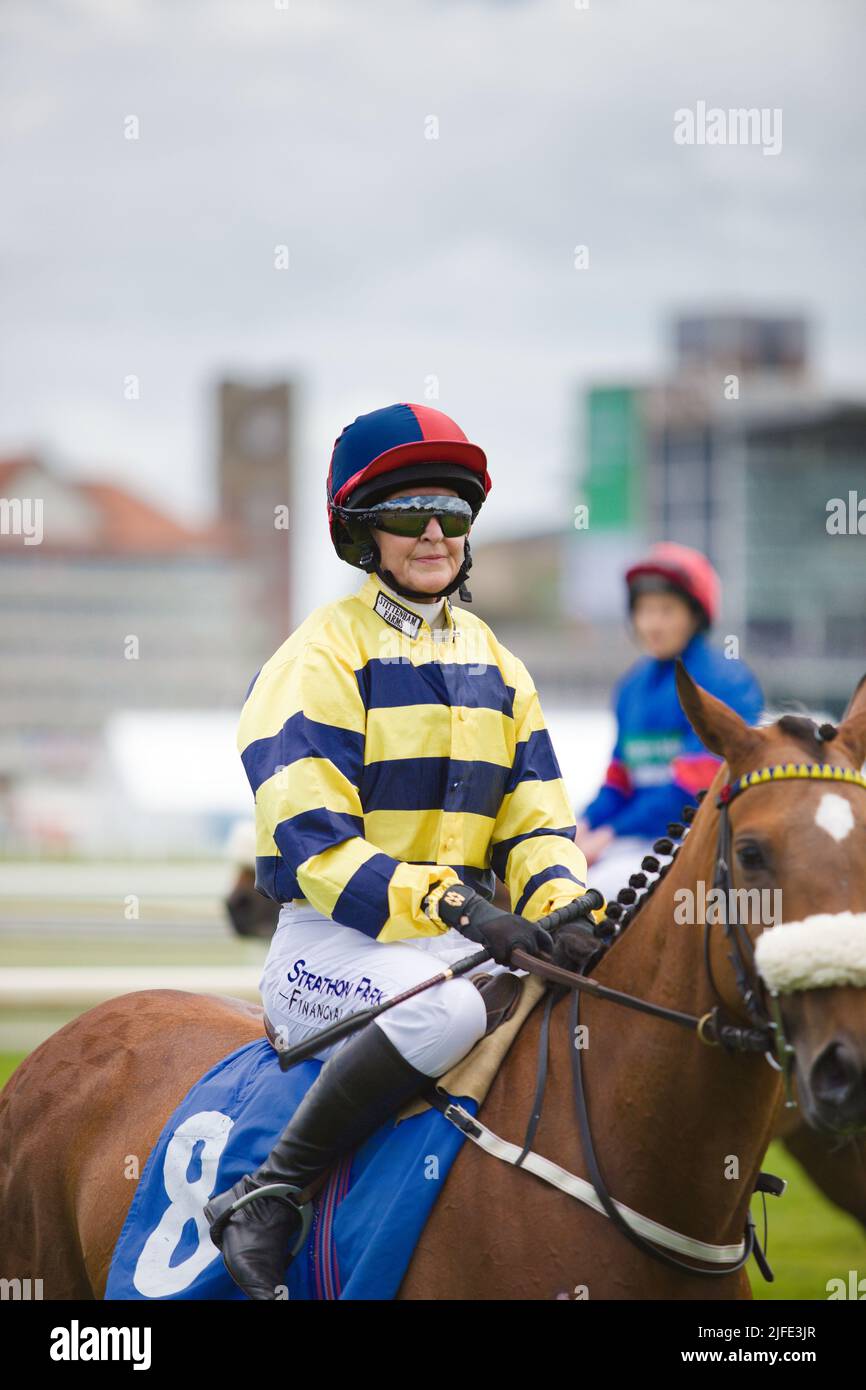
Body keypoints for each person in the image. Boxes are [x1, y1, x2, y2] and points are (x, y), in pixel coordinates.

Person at [204, 401, 600, 1299]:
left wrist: (563, 911)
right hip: (333, 947)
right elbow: (314, 847)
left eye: (451, 513)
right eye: (405, 513)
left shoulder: (499, 665)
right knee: (451, 1014)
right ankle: (267, 1194)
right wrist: (462, 907)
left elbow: (537, 824)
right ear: (361, 533)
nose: (432, 532)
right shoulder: (316, 657)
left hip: (459, 945)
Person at [575, 542, 763, 902]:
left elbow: (693, 789)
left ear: (695, 615)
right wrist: (585, 825)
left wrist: (610, 833)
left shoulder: (726, 681)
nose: (652, 624)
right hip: (633, 839)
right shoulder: (631, 686)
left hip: (700, 841)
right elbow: (619, 780)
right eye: (644, 611)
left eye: (666, 610)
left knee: (591, 894)